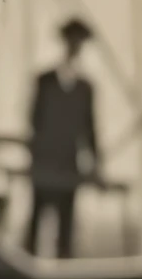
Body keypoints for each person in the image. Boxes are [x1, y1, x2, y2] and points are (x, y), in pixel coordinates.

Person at [25, 17, 100, 259]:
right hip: (44, 164)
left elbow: (90, 129)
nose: (74, 46)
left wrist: (96, 163)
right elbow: (34, 121)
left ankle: (63, 277)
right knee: (36, 221)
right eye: (71, 41)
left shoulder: (86, 87)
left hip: (69, 165)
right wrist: (37, 154)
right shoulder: (44, 81)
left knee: (66, 227)